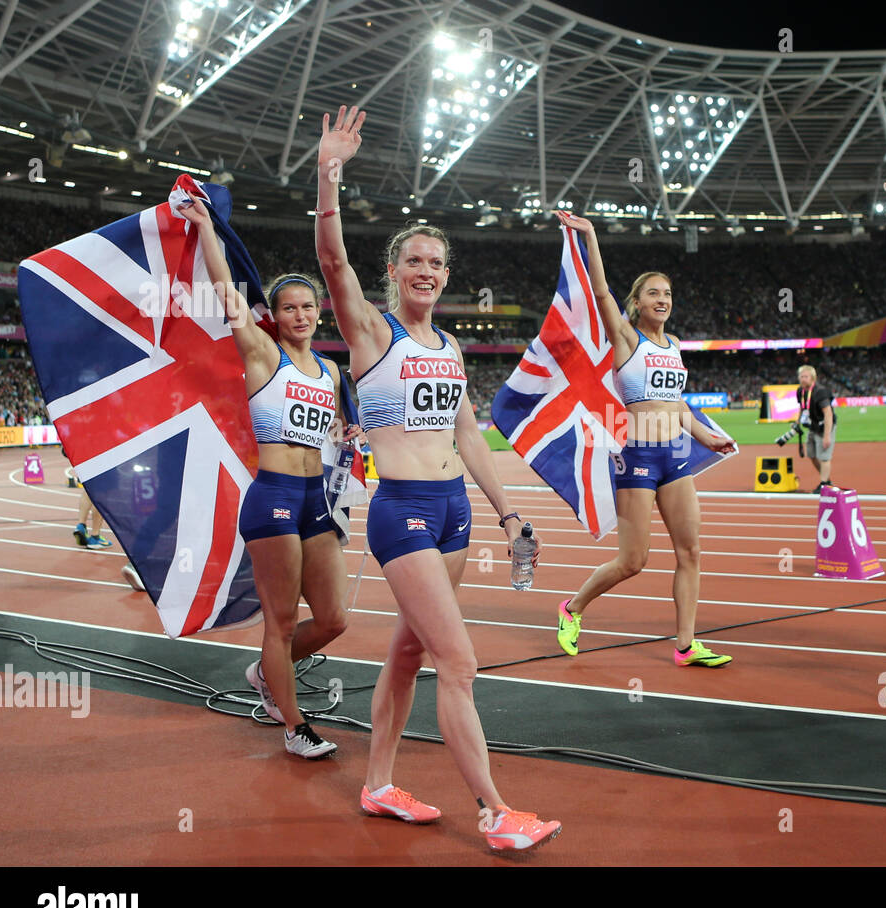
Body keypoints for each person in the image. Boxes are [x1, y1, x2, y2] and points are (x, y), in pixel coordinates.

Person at [316, 105, 560, 851]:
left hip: (455, 509)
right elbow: (331, 262)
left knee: (409, 652)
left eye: (436, 263)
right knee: (459, 661)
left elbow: (465, 432)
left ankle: (379, 782)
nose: (425, 271)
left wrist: (508, 513)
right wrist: (329, 173)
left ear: (446, 277)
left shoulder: (451, 347)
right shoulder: (371, 331)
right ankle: (493, 811)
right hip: (404, 513)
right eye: (413, 260)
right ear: (392, 271)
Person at [178, 197, 357, 760]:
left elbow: (329, 433)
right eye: (289, 308)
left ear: (318, 313)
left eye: (308, 307)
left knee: (332, 619)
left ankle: (264, 672)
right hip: (274, 498)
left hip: (316, 501)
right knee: (280, 620)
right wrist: (207, 226)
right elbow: (228, 292)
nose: (300, 315)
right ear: (274, 316)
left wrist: (346, 439)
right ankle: (293, 725)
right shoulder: (261, 354)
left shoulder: (330, 371)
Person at [553, 210, 738, 669]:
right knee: (634, 560)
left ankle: (686, 644)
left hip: (675, 453)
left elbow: (676, 404)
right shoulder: (626, 338)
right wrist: (591, 235)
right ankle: (572, 608)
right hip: (634, 454)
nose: (663, 299)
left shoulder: (673, 345)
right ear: (636, 302)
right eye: (653, 292)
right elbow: (600, 291)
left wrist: (706, 437)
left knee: (690, 550)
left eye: (668, 293)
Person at [796, 364, 837, 492]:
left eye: (806, 376)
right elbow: (802, 407)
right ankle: (827, 479)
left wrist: (827, 435)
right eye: (801, 376)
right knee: (811, 454)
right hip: (812, 427)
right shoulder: (800, 391)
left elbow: (828, 414)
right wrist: (797, 422)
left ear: (813, 378)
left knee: (824, 457)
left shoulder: (820, 392)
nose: (803, 379)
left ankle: (824, 484)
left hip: (824, 426)